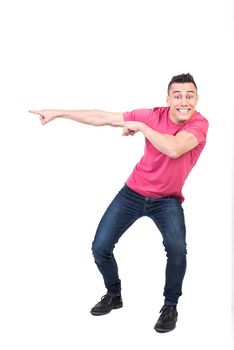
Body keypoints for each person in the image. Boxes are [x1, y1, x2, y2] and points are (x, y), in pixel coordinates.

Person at [29, 73, 209, 333]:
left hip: (167, 200)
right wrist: (58, 113)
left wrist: (142, 128)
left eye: (189, 96)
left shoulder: (199, 124)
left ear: (197, 99)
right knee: (100, 247)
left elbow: (174, 148)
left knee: (177, 249)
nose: (184, 101)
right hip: (133, 192)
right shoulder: (152, 115)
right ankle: (114, 295)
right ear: (168, 98)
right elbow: (103, 117)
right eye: (177, 96)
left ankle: (170, 306)